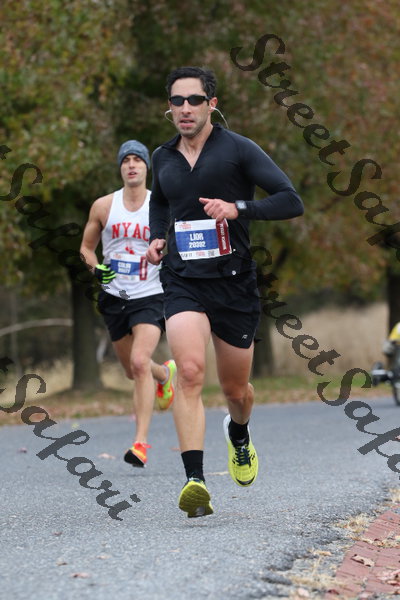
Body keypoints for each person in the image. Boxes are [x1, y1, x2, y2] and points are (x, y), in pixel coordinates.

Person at [146, 66, 304, 517]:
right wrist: (157, 237)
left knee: (236, 391)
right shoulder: (162, 156)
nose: (185, 108)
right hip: (182, 280)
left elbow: (290, 200)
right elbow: (161, 201)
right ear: (169, 108)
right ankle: (195, 481)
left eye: (194, 100)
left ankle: (238, 433)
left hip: (234, 284)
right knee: (190, 372)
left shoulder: (238, 149)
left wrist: (239, 208)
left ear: (211, 104)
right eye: (177, 101)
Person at [80, 139, 176, 468]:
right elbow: (86, 249)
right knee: (132, 371)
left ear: (147, 167)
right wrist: (96, 269)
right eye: (126, 160)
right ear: (120, 167)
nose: (131, 165)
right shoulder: (103, 206)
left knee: (138, 361)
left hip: (150, 293)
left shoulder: (160, 205)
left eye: (138, 160)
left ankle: (140, 444)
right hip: (114, 296)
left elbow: (175, 244)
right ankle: (164, 374)